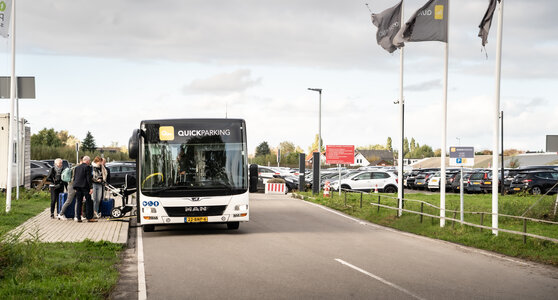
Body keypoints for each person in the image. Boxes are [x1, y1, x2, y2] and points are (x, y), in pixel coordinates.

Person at [73, 155, 96, 222]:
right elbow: (88, 178)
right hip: (85, 187)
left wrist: (75, 186)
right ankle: (89, 217)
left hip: (77, 187)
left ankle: (78, 218)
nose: (89, 162)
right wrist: (91, 187)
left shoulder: (77, 167)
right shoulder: (87, 167)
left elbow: (75, 177)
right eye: (89, 161)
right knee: (88, 202)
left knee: (79, 202)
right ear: (87, 161)